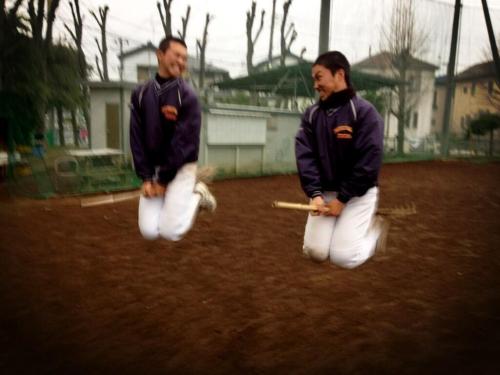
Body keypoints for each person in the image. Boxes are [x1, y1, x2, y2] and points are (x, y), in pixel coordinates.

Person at [295, 51, 388, 269]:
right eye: (313, 79)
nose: (315, 85)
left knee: (343, 257)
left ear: (339, 74)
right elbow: (305, 156)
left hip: (357, 194)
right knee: (315, 251)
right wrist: (315, 195)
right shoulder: (311, 115)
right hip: (325, 193)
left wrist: (343, 199)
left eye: (319, 77)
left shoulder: (365, 113)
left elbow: (369, 162)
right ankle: (336, 225)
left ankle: (374, 233)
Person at [130, 36, 216, 241]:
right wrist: (146, 178)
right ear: (160, 55)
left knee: (170, 232)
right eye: (176, 55)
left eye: (184, 58)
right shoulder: (140, 93)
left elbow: (183, 144)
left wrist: (163, 180)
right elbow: (136, 136)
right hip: (155, 169)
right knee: (149, 232)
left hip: (181, 168)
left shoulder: (188, 96)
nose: (181, 62)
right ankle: (178, 197)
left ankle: (198, 194)